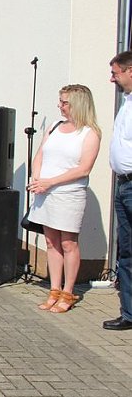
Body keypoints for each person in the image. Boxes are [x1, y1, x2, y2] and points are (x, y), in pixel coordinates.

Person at [28, 85, 101, 313]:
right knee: (51, 242)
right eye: (60, 101)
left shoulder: (89, 133)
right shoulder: (54, 126)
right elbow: (41, 154)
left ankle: (68, 292)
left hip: (68, 194)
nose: (60, 106)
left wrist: (51, 181)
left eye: (65, 102)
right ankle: (54, 289)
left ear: (78, 104)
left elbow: (83, 168)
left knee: (68, 243)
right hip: (45, 192)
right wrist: (37, 177)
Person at [107, 50, 132, 330]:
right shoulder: (126, 102)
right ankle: (129, 312)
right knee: (126, 252)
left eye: (115, 73)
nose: (112, 79)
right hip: (123, 184)